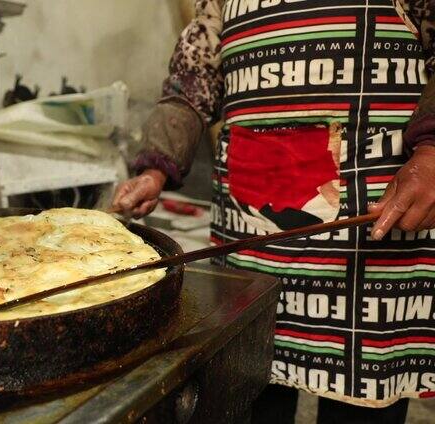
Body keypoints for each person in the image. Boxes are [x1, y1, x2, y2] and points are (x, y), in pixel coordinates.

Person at [113, 1, 435, 423]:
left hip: (372, 235)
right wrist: (156, 165)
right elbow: (193, 79)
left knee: (359, 408)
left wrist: (431, 152)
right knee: (253, 388)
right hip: (253, 237)